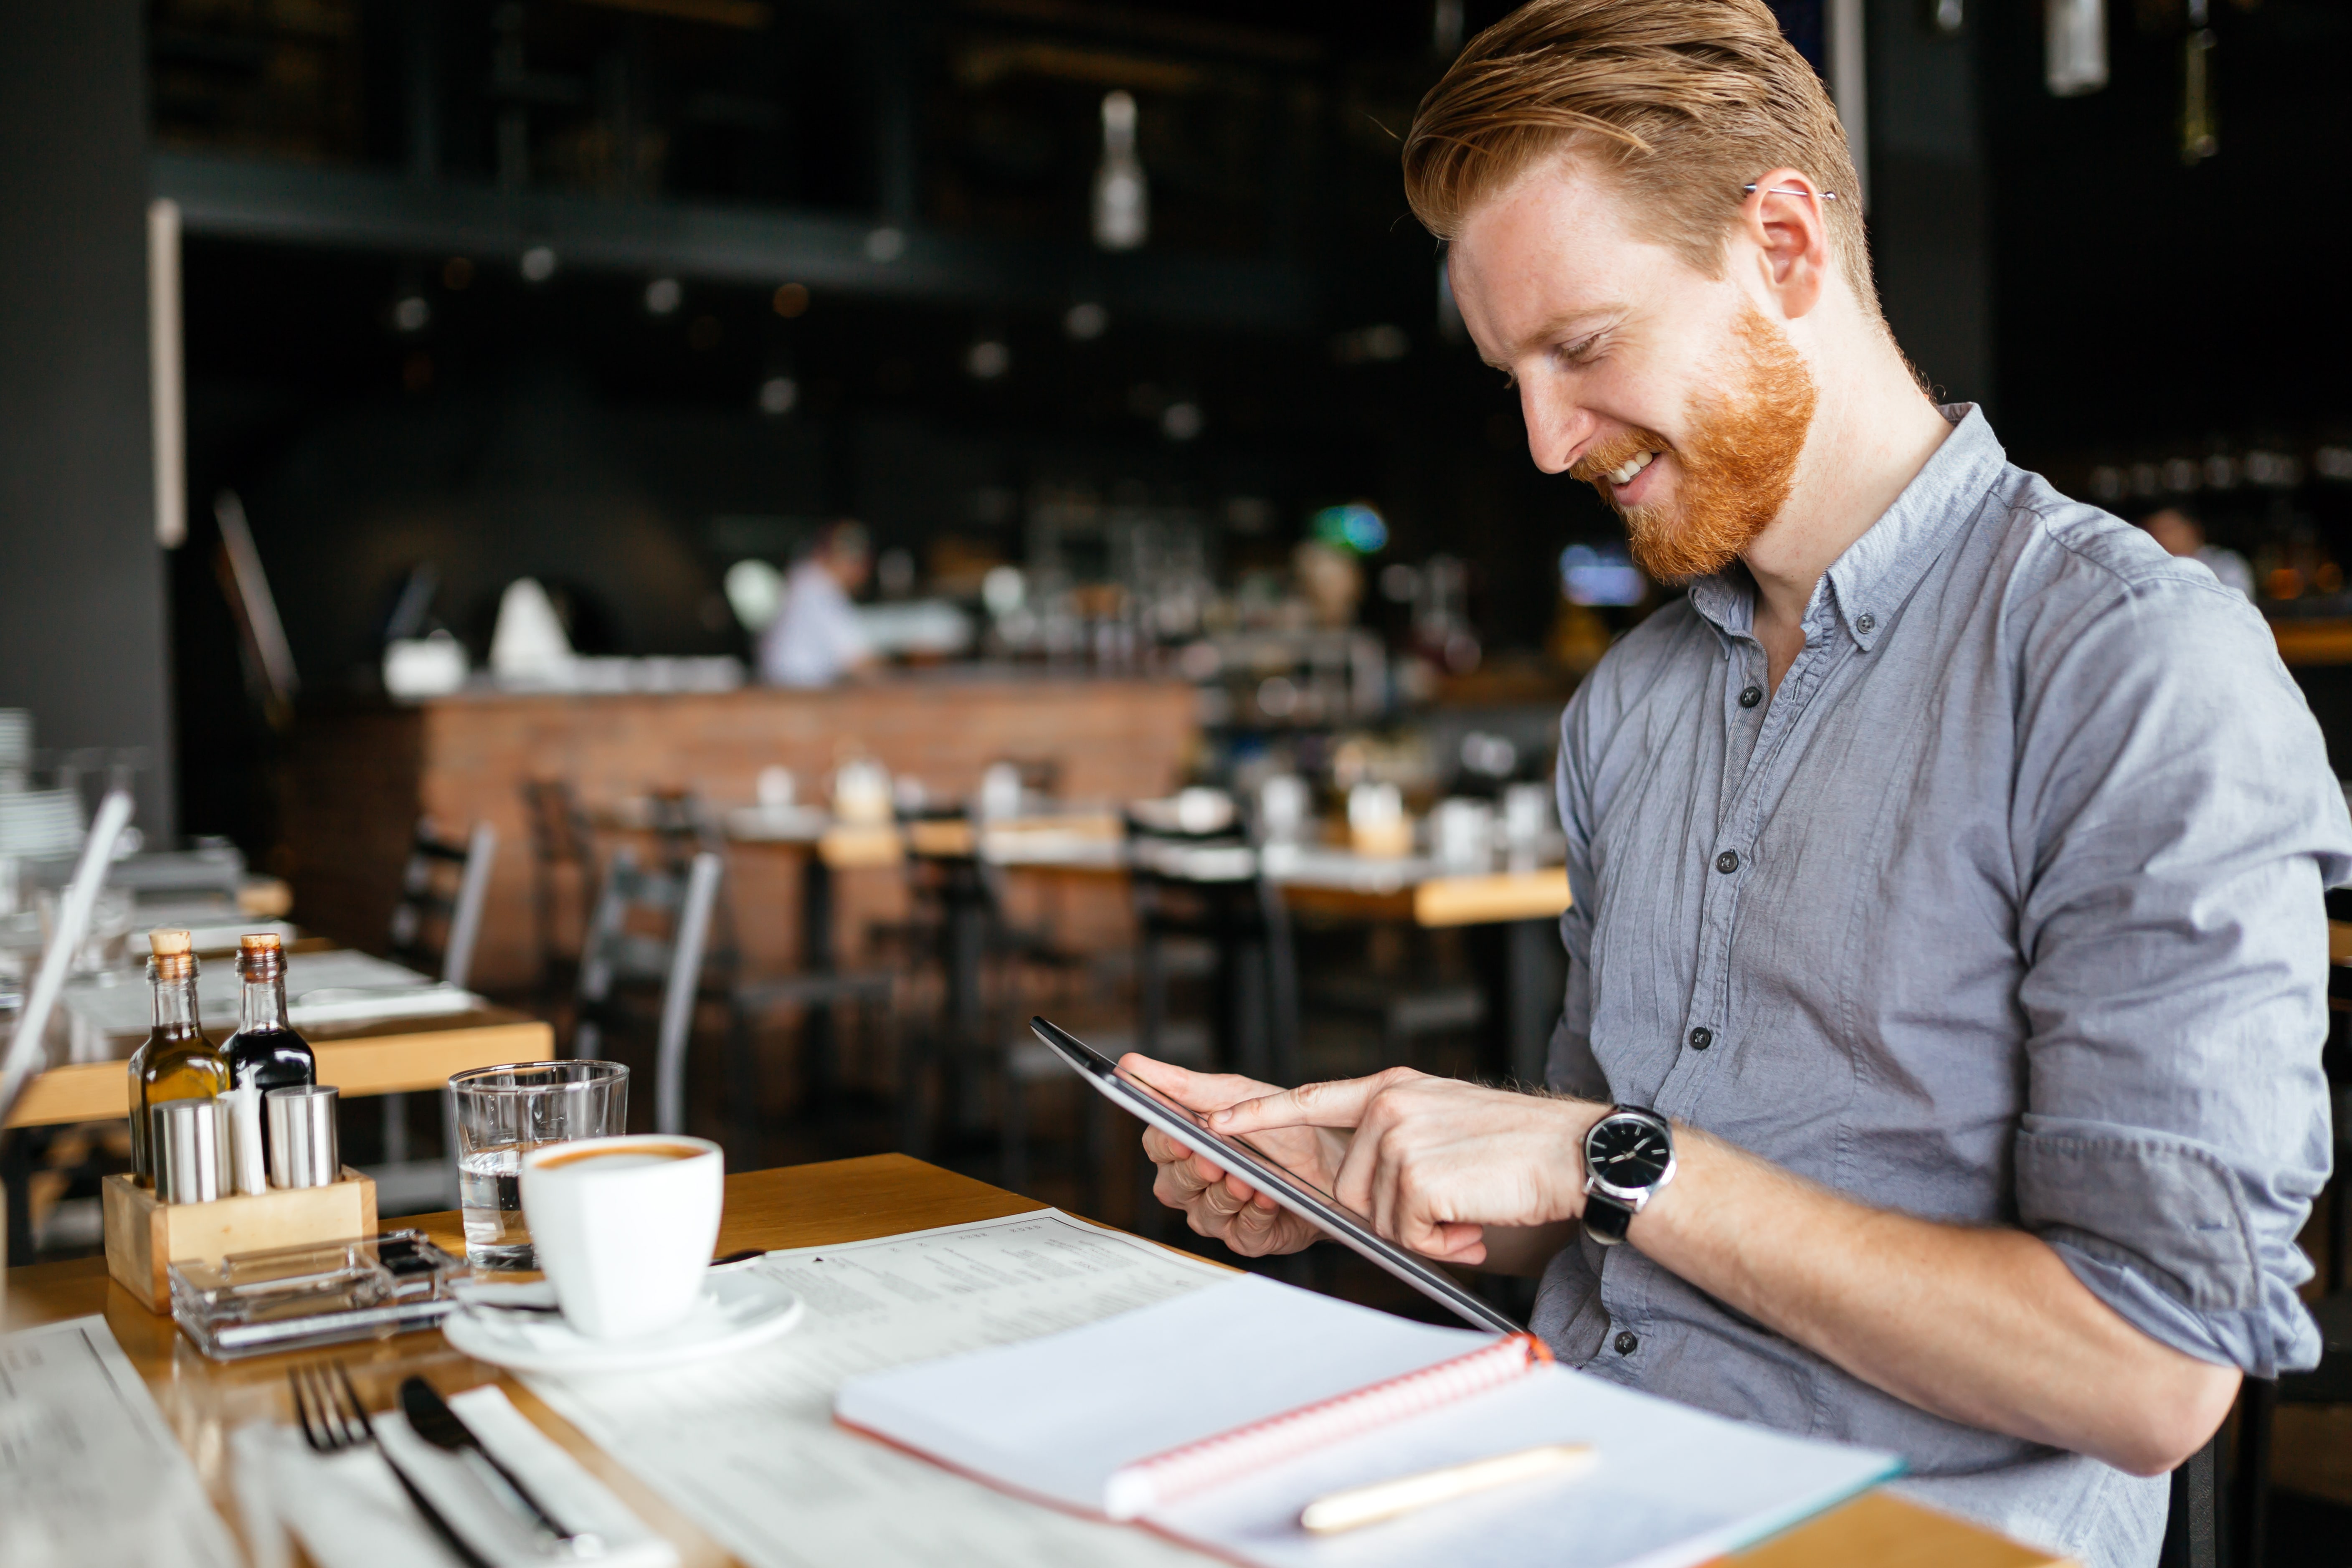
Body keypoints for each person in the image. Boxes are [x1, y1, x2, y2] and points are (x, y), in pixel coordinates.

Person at [1123, 5, 2348, 1565]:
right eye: (1512, 372)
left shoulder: (2133, 666)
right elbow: (1596, 1211)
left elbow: (2153, 1368)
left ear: (1780, 242)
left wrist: (1601, 1154)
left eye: (1581, 346)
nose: (1547, 438)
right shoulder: (1631, 705)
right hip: (1548, 1475)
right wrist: (1369, 1160)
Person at [758, 521, 877, 687]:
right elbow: (860, 662)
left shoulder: (804, 579)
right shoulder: (817, 587)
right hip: (795, 696)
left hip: (786, 691)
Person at [2141, 505, 2256, 599]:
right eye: (2155, 531)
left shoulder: (2225, 563)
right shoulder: (2147, 570)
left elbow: (2234, 604)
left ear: (2192, 529)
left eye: (2169, 529)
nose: (2163, 537)